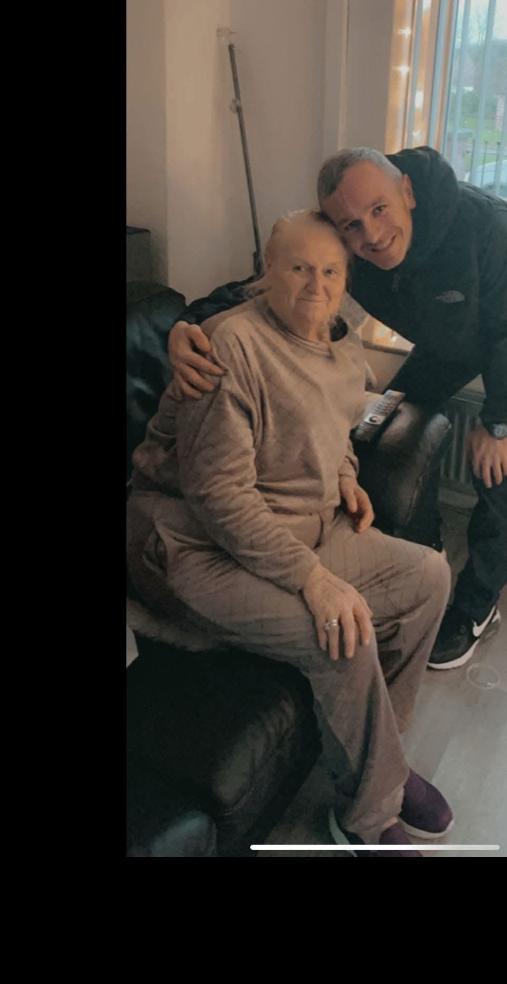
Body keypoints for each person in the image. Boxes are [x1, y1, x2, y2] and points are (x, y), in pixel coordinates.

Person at [168, 146, 507, 672]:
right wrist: (188, 324)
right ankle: (422, 542)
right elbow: (262, 290)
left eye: (379, 209)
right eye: (351, 225)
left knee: (498, 465)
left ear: (406, 191)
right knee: (386, 421)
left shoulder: (485, 228)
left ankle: (479, 603)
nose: (370, 234)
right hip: (452, 334)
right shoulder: (351, 247)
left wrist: (501, 423)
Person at [128, 209, 453, 857]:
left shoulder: (343, 347)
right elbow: (218, 497)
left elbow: (337, 427)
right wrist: (315, 581)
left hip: (297, 529)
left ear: (346, 280)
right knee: (343, 631)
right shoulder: (229, 348)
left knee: (429, 579)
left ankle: (382, 764)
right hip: (193, 547)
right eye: (299, 268)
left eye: (331, 271)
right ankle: (366, 817)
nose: (316, 285)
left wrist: (347, 477)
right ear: (266, 271)